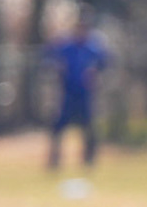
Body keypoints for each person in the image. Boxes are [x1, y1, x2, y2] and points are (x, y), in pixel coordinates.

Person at [45, 12, 110, 170]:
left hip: (86, 93)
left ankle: (89, 160)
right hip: (67, 91)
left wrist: (96, 72)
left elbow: (106, 62)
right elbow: (48, 56)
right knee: (59, 126)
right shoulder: (66, 46)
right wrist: (57, 68)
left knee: (89, 126)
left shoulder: (94, 47)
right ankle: (55, 160)